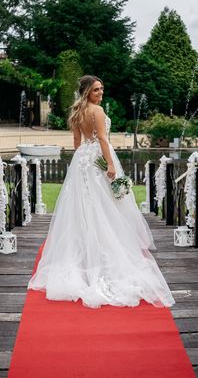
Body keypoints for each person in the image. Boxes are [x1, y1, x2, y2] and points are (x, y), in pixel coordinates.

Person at [28, 75, 174, 308]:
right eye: (96, 90)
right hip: (97, 158)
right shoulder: (97, 111)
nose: (101, 93)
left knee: (87, 206)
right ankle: (102, 255)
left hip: (83, 160)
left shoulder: (77, 112)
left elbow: (77, 143)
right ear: (87, 92)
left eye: (102, 89)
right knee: (105, 206)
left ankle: (86, 255)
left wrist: (82, 161)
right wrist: (111, 165)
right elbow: (104, 139)